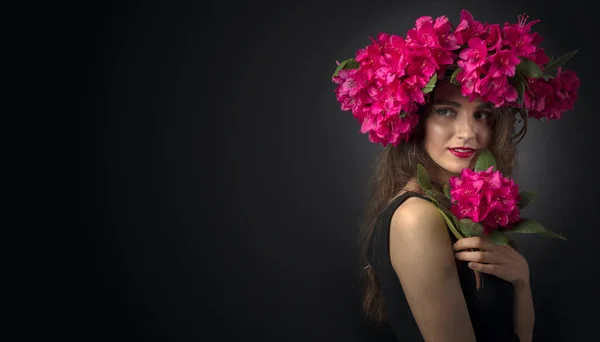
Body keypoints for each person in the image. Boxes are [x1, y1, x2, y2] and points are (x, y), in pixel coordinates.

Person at [331, 9, 579, 342]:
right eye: (446, 112)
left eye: (482, 115)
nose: (468, 133)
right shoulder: (416, 217)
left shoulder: (450, 205)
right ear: (416, 118)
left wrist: (521, 282)